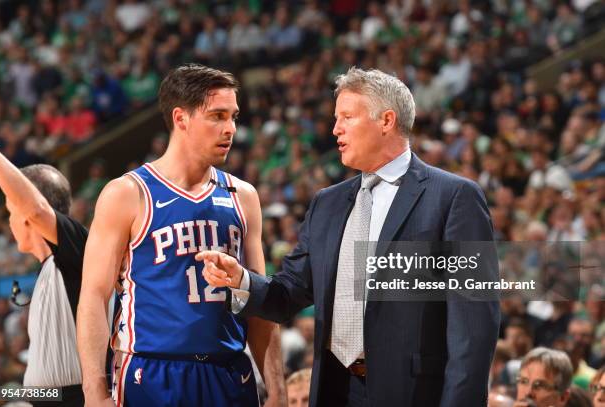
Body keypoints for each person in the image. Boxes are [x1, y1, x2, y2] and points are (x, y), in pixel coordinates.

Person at [200, 67, 500, 406]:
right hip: (335, 389)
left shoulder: (454, 197)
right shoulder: (327, 203)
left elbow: (474, 329)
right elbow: (288, 294)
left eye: (346, 117)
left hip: (414, 394)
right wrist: (241, 280)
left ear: (386, 121)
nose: (335, 129)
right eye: (335, 118)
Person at [77, 64, 285, 407]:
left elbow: (259, 301)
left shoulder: (242, 196)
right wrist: (94, 391)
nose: (230, 128)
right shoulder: (128, 193)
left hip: (229, 373)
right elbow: (95, 297)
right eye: (217, 116)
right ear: (181, 117)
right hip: (151, 372)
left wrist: (277, 389)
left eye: (233, 117)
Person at [0, 146, 86, 406]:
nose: (10, 222)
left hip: (75, 397)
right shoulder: (47, 268)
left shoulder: (79, 250)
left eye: (11, 212)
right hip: (46, 397)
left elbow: (35, 209)